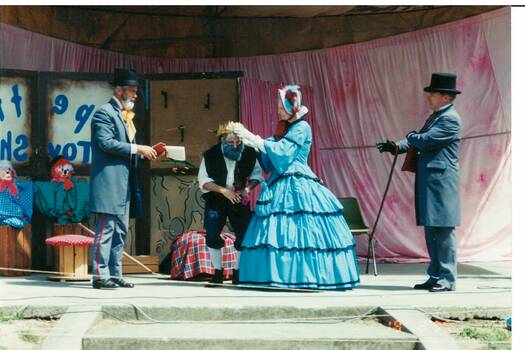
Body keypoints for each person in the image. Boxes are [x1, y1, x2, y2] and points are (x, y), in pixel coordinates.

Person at [233, 85, 360, 290]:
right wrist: (254, 145)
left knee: (303, 229)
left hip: (299, 183)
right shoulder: (282, 129)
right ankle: (277, 275)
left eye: (281, 107)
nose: (278, 111)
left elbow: (284, 153)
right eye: (278, 106)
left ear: (292, 106)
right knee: (277, 231)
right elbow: (270, 163)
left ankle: (304, 275)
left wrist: (257, 140)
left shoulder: (302, 127)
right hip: (279, 182)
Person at [377, 72, 462, 292]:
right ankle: (435, 275)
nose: (429, 97)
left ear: (445, 97)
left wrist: (411, 136)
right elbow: (418, 139)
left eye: (432, 94)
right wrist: (396, 146)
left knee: (442, 231)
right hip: (430, 182)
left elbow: (425, 140)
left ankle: (447, 278)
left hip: (441, 183)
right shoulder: (436, 117)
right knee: (431, 230)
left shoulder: (450, 119)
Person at [90, 68, 158, 289]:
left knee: (121, 230)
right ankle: (100, 276)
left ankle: (115, 273)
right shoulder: (104, 113)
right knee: (106, 229)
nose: (136, 95)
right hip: (108, 184)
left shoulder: (125, 116)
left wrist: (148, 151)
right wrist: (139, 148)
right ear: (119, 90)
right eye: (132, 90)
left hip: (124, 183)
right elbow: (106, 143)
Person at [198, 121, 264, 285]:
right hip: (216, 198)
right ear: (222, 140)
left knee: (243, 234)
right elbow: (204, 181)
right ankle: (218, 273)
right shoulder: (210, 154)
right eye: (230, 142)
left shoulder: (249, 153)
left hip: (238, 198)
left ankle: (237, 272)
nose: (235, 145)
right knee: (212, 234)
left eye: (238, 142)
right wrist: (223, 191)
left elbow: (257, 176)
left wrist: (247, 190)